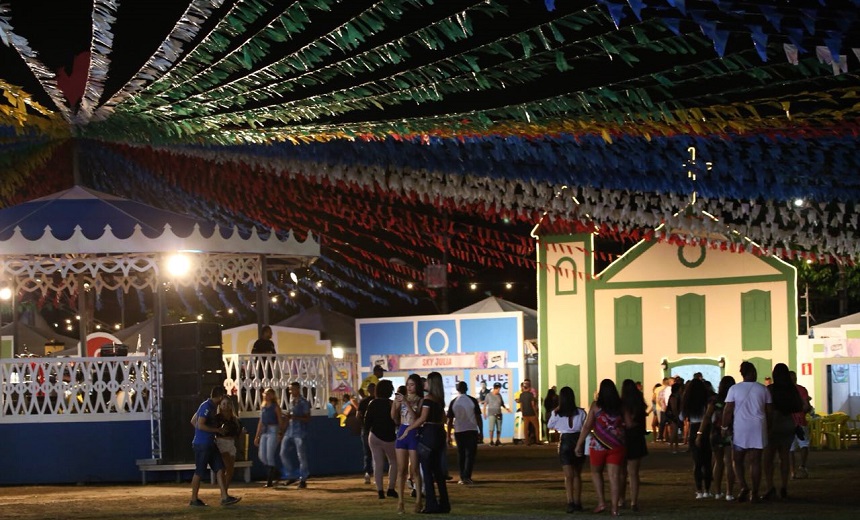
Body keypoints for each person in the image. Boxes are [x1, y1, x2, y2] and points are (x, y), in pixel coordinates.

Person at [401, 371, 450, 514]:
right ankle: (444, 503)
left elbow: (422, 418)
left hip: (428, 435)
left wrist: (408, 429)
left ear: (432, 383)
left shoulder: (428, 399)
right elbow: (442, 419)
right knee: (438, 472)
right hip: (439, 433)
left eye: (427, 381)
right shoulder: (440, 400)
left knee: (427, 472)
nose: (424, 384)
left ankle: (431, 504)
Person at [722, 361, 772, 503]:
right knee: (755, 461)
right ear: (752, 372)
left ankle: (744, 485)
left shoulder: (734, 389)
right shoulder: (763, 389)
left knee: (737, 460)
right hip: (758, 427)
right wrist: (769, 427)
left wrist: (724, 427)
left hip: (741, 428)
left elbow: (728, 410)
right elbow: (769, 411)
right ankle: (754, 493)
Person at [575, 379, 625, 516]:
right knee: (614, 476)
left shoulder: (596, 406)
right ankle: (615, 508)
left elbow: (587, 426)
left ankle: (601, 502)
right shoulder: (621, 406)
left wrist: (579, 444)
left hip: (598, 445)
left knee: (596, 473)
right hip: (616, 444)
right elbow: (627, 423)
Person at [188, 386, 241, 507]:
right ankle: (193, 499)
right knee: (199, 472)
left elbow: (193, 421)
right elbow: (200, 425)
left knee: (220, 468)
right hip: (202, 444)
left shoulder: (208, 406)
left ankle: (224, 497)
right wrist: (216, 430)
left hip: (210, 443)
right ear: (220, 396)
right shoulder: (207, 407)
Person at [762, 363, 804, 500]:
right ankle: (784, 486)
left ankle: (770, 487)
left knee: (768, 457)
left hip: (773, 423)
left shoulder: (770, 389)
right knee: (784, 456)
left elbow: (765, 406)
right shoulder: (792, 390)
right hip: (788, 423)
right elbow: (800, 406)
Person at [547, 386, 587, 513]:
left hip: (565, 441)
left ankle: (570, 502)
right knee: (577, 475)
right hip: (578, 440)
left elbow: (550, 425)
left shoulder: (557, 413)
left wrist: (555, 412)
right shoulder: (581, 412)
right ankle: (577, 502)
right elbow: (584, 427)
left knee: (568, 476)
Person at [698, 375, 736, 501]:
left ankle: (718, 491)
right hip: (731, 432)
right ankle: (729, 493)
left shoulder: (714, 400)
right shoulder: (734, 399)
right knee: (730, 462)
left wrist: (700, 432)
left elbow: (707, 416)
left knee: (718, 462)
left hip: (716, 433)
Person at [392, 373, 423, 514]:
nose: (409, 388)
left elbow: (416, 417)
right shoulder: (402, 399)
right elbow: (394, 417)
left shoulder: (420, 400)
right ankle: (400, 502)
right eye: (408, 385)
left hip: (414, 432)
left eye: (412, 385)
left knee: (415, 469)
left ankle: (418, 500)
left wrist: (405, 403)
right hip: (402, 431)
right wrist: (395, 404)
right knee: (401, 469)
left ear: (417, 386)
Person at [364, 379, 399, 500]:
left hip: (374, 436)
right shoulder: (392, 403)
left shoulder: (372, 403)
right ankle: (391, 488)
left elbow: (367, 421)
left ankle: (380, 491)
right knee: (394, 462)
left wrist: (366, 433)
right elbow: (397, 421)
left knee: (377, 463)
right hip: (389, 437)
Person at [682, 377, 713, 499]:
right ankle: (707, 490)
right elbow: (710, 417)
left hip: (694, 429)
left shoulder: (688, 402)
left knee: (697, 462)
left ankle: (699, 490)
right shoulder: (707, 401)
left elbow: (681, 417)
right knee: (707, 461)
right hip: (707, 429)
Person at [619, 379, 648, 512]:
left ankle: (620, 500)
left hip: (624, 438)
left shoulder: (622, 404)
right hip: (637, 438)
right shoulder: (640, 404)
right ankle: (634, 502)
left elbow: (627, 423)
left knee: (621, 473)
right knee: (634, 473)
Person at [447, 381, 482, 485]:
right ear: (466, 388)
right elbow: (478, 417)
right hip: (471, 429)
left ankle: (462, 476)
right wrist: (481, 430)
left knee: (461, 454)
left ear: (457, 389)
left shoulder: (454, 402)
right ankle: (467, 476)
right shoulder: (472, 400)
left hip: (459, 431)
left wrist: (448, 435)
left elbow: (449, 420)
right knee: (470, 454)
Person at [281, 381, 311, 488]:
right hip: (290, 430)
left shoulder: (303, 402)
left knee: (301, 456)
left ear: (298, 389)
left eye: (292, 389)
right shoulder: (291, 401)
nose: (290, 391)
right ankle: (291, 475)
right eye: (289, 390)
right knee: (283, 452)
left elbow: (307, 418)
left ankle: (303, 478)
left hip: (300, 432)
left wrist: (295, 417)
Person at [254, 387, 284, 488]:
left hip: (273, 430)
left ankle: (270, 480)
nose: (266, 396)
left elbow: (280, 420)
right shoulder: (263, 407)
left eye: (268, 394)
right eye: (265, 394)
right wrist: (257, 435)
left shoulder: (275, 407)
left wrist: (280, 433)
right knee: (262, 455)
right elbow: (261, 422)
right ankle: (276, 473)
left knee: (269, 455)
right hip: (265, 431)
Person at [215, 399, 244, 494]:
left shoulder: (234, 419)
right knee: (227, 467)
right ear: (220, 405)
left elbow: (238, 434)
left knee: (230, 470)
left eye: (228, 404)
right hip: (221, 443)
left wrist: (242, 433)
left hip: (231, 443)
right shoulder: (217, 418)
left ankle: (225, 491)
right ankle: (224, 493)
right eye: (223, 404)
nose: (226, 406)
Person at [789, 370, 812, 480]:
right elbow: (807, 406)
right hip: (800, 421)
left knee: (790, 448)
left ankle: (792, 471)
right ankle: (802, 466)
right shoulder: (801, 389)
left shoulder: (783, 391)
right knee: (804, 444)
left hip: (788, 422)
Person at [358, 383, 376, 484]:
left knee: (367, 453)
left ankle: (368, 473)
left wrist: (364, 424)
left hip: (366, 430)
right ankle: (372, 473)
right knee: (374, 453)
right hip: (374, 430)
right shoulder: (378, 401)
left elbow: (358, 415)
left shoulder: (364, 401)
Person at [483, 382, 510, 446]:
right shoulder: (488, 395)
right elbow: (485, 405)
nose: (499, 390)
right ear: (495, 388)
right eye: (498, 389)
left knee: (499, 428)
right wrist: (484, 413)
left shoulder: (499, 395)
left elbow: (502, 404)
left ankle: (498, 440)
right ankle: (491, 441)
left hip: (499, 413)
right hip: (491, 414)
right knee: (491, 428)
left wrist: (506, 408)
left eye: (499, 389)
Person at [518, 379, 540, 445]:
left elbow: (521, 405)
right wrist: (536, 413)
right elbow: (533, 405)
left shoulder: (521, 395)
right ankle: (537, 440)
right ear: (529, 388)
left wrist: (522, 412)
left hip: (525, 414)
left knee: (526, 428)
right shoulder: (531, 395)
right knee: (536, 427)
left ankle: (527, 441)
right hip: (532, 413)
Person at [666, 382, 682, 453]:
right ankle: (671, 447)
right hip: (672, 415)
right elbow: (674, 407)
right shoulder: (673, 397)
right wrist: (676, 416)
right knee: (674, 431)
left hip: (673, 414)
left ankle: (676, 447)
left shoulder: (677, 396)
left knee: (675, 432)